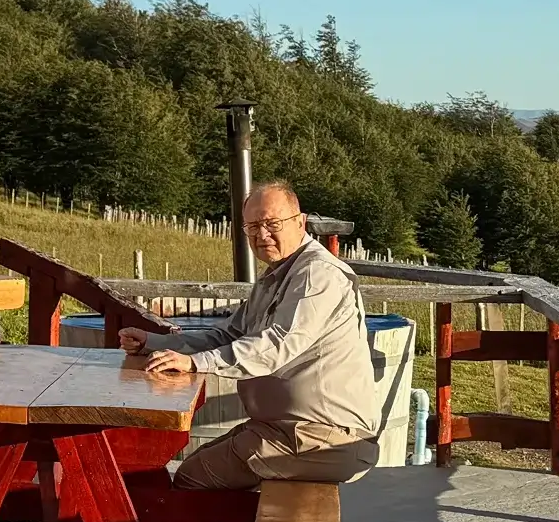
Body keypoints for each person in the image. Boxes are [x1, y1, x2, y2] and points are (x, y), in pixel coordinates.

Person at [119, 181, 380, 490]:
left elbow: (278, 343)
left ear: (300, 222)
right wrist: (155, 343)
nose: (262, 235)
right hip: (286, 430)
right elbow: (228, 335)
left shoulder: (316, 274)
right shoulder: (276, 275)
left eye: (272, 223)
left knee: (191, 479)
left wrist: (194, 363)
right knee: (193, 463)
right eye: (253, 227)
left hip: (325, 439)